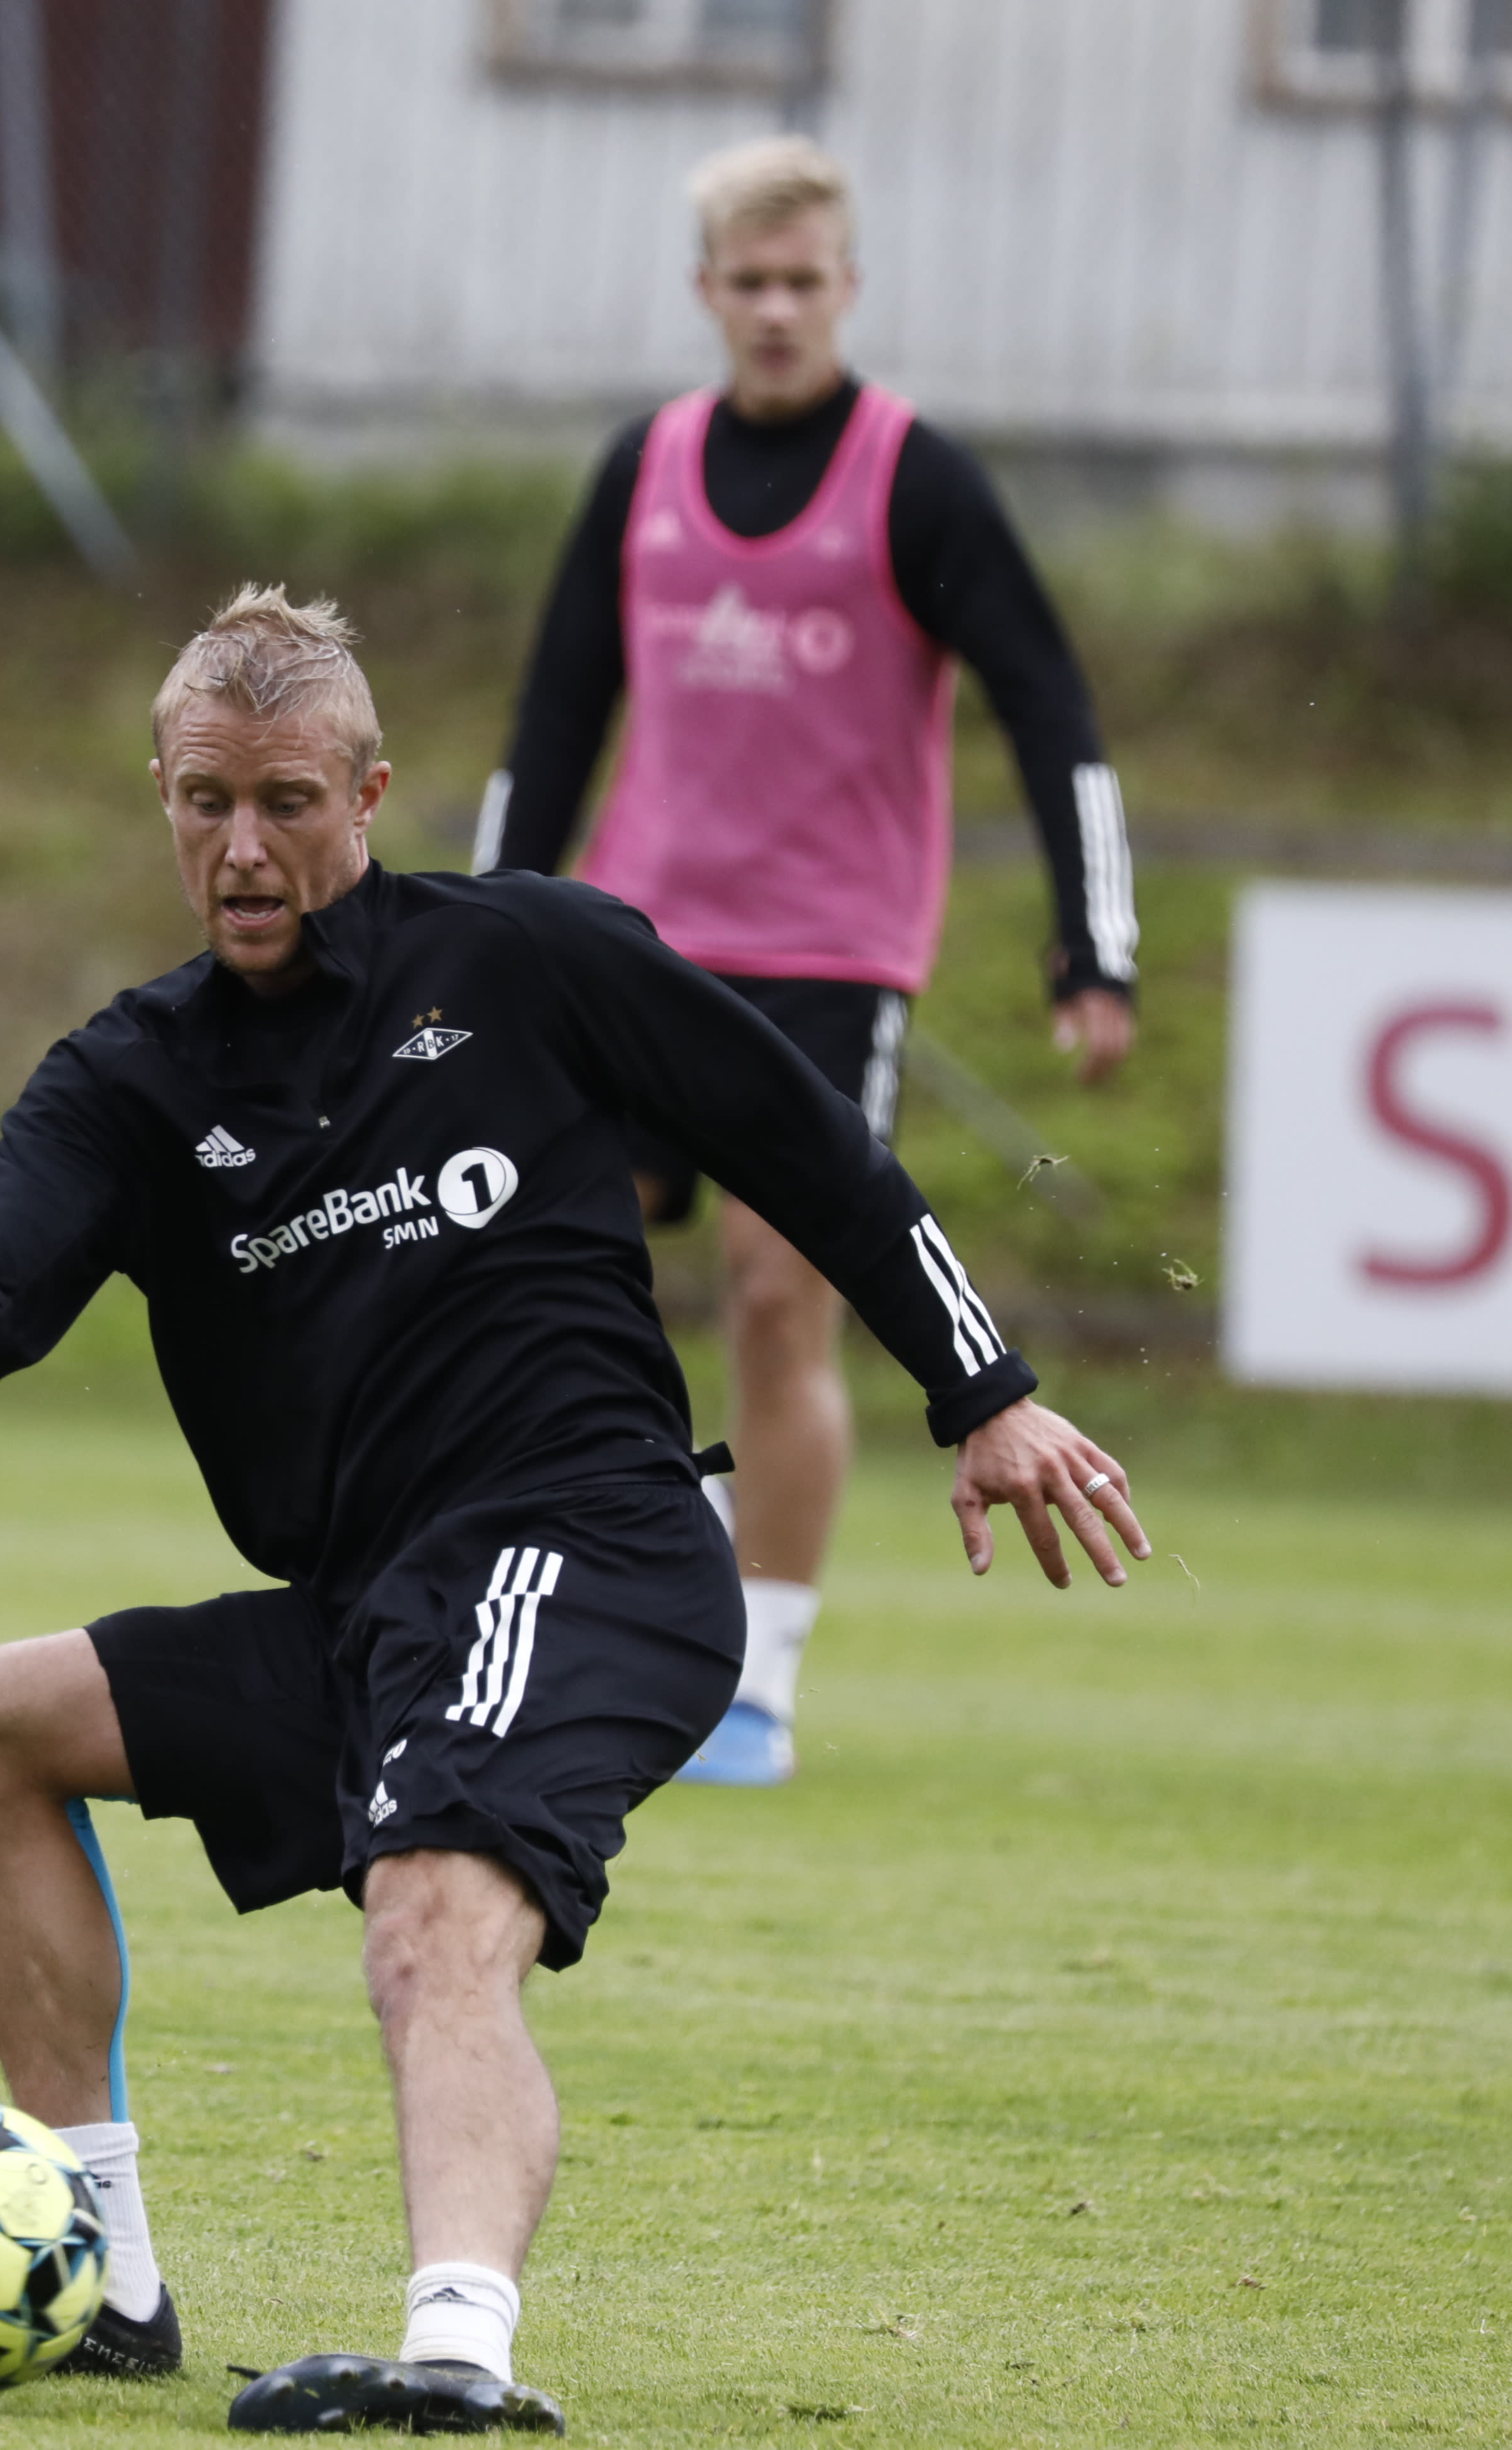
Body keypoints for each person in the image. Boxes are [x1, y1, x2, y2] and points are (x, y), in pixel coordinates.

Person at [0, 588, 1143, 2434]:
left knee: (433, 1902)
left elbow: (806, 1146)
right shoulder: (134, 1075)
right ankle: (104, 2277)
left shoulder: (528, 957)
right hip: (374, 1613)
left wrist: (982, 1389)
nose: (243, 847)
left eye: (287, 802)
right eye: (205, 802)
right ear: (164, 801)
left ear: (369, 796)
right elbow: (2, 1261)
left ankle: (458, 2352)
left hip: (588, 1550)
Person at [481, 133, 1139, 1789]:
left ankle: (755, 1680)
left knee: (781, 1294)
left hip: (829, 957)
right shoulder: (644, 471)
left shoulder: (916, 482)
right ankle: (605, 1569)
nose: (776, 311)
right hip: (638, 941)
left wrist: (1097, 947)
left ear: (850, 286)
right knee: (542, 1269)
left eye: (803, 282)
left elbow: (1049, 707)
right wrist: (477, 934)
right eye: (748, 284)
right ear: (704, 292)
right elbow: (556, 713)